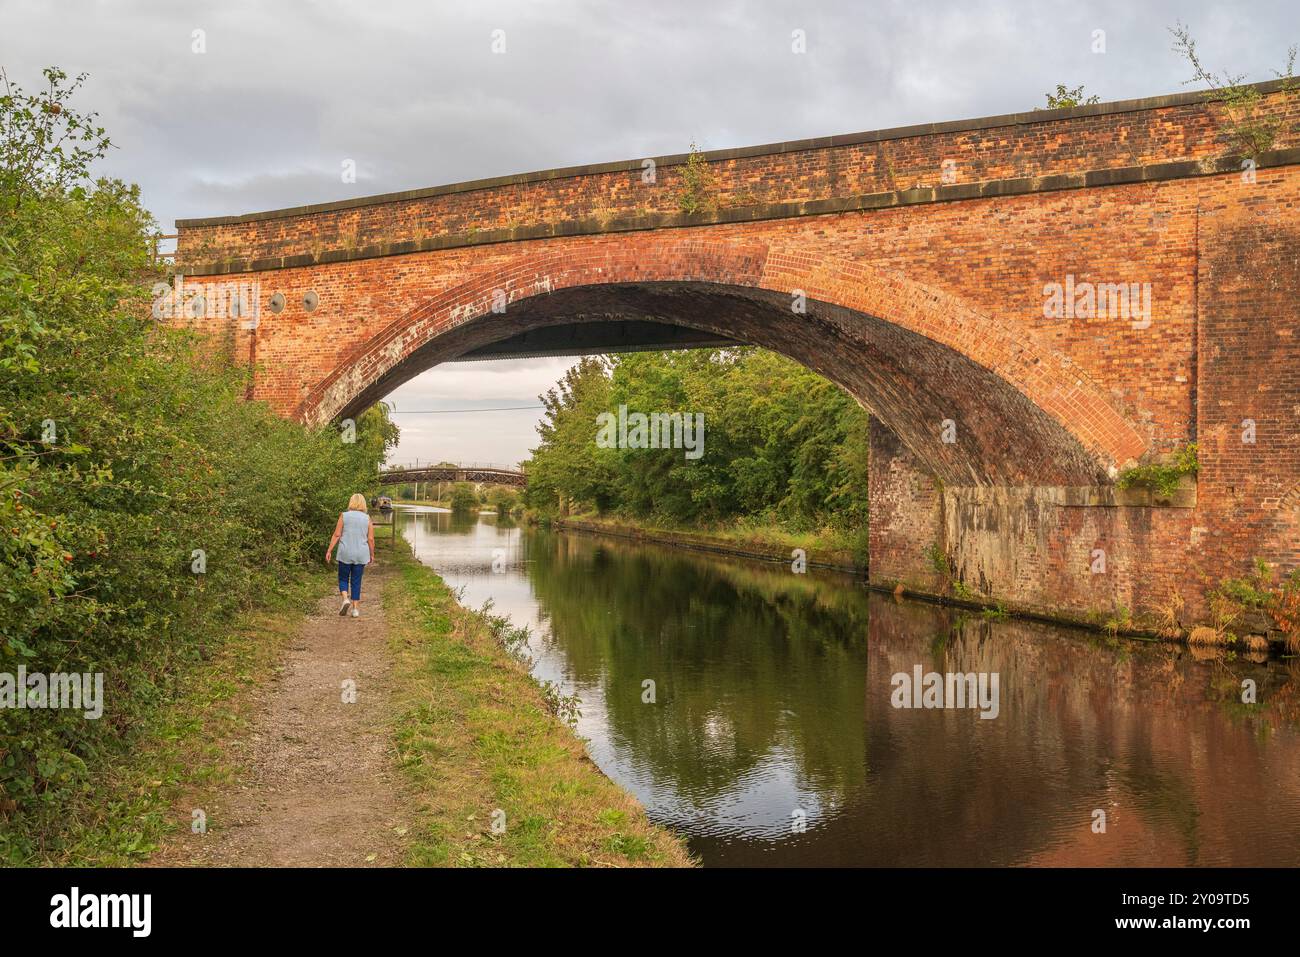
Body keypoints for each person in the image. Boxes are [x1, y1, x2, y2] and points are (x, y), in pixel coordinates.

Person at [326, 493, 375, 618]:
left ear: (351, 502)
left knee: (343, 578)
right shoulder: (367, 518)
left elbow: (337, 535)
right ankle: (355, 610)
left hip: (345, 552)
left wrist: (329, 550)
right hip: (361, 554)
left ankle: (345, 599)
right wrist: (372, 554)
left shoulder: (344, 516)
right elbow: (370, 539)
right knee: (356, 581)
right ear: (363, 504)